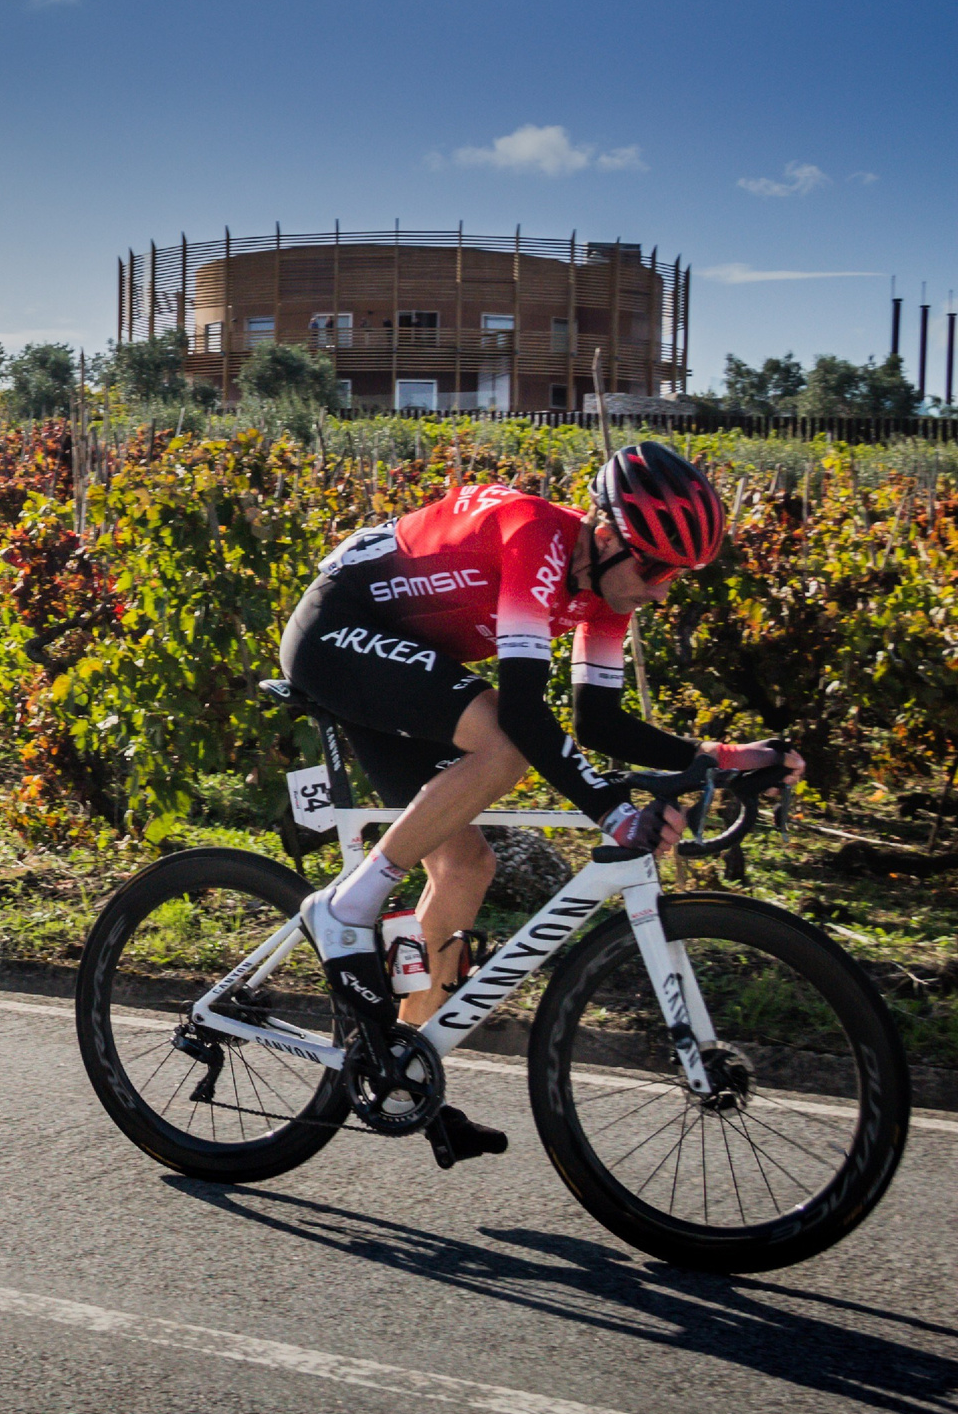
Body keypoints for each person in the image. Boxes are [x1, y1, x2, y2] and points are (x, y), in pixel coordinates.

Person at [279, 441, 803, 1164]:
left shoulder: (603, 592)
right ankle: (345, 908)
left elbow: (600, 723)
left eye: (676, 575)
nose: (660, 590)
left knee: (466, 867)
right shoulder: (536, 538)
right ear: (611, 535)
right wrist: (617, 811)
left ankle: (399, 1063)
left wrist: (721, 760)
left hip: (401, 658)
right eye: (654, 567)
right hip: (337, 631)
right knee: (505, 738)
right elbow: (526, 717)